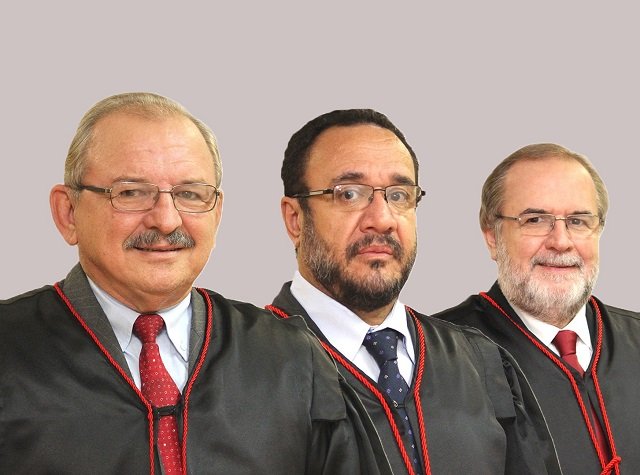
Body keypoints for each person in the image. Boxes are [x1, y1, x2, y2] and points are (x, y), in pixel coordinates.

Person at [0, 93, 392, 475]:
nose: (166, 220)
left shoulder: (293, 359)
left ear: (217, 213)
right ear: (68, 213)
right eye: (131, 192)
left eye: (190, 194)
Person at [267, 109, 562, 475]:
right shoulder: (247, 367)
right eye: (349, 194)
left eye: (399, 195)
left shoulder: (482, 363)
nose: (382, 219)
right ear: (295, 219)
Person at [434, 143, 640, 474]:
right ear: (492, 236)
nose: (561, 241)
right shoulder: (436, 356)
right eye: (535, 220)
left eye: (578, 221)